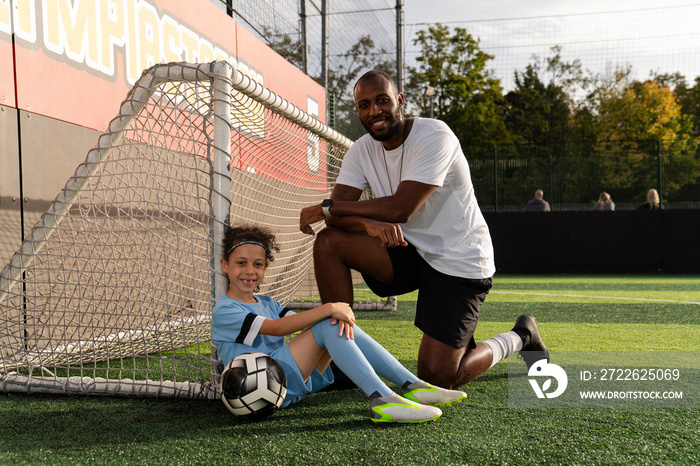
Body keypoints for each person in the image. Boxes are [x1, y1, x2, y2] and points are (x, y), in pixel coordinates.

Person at [299, 69, 548, 390]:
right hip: (408, 251)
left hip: (459, 260)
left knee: (438, 377)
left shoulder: (434, 136)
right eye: (364, 105)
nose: (374, 111)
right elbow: (336, 220)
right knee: (329, 242)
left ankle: (521, 336)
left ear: (399, 101)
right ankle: (344, 357)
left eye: (382, 100)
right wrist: (367, 223)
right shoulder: (361, 149)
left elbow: (399, 207)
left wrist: (326, 207)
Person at [211, 224, 470, 424]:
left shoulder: (267, 301)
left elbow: (299, 324)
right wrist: (329, 306)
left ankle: (414, 386)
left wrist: (331, 312)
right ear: (225, 265)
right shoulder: (225, 310)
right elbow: (278, 328)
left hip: (279, 383)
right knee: (328, 320)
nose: (249, 271)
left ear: (265, 268)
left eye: (258, 264)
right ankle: (384, 399)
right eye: (241, 263)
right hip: (254, 391)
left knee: (330, 321)